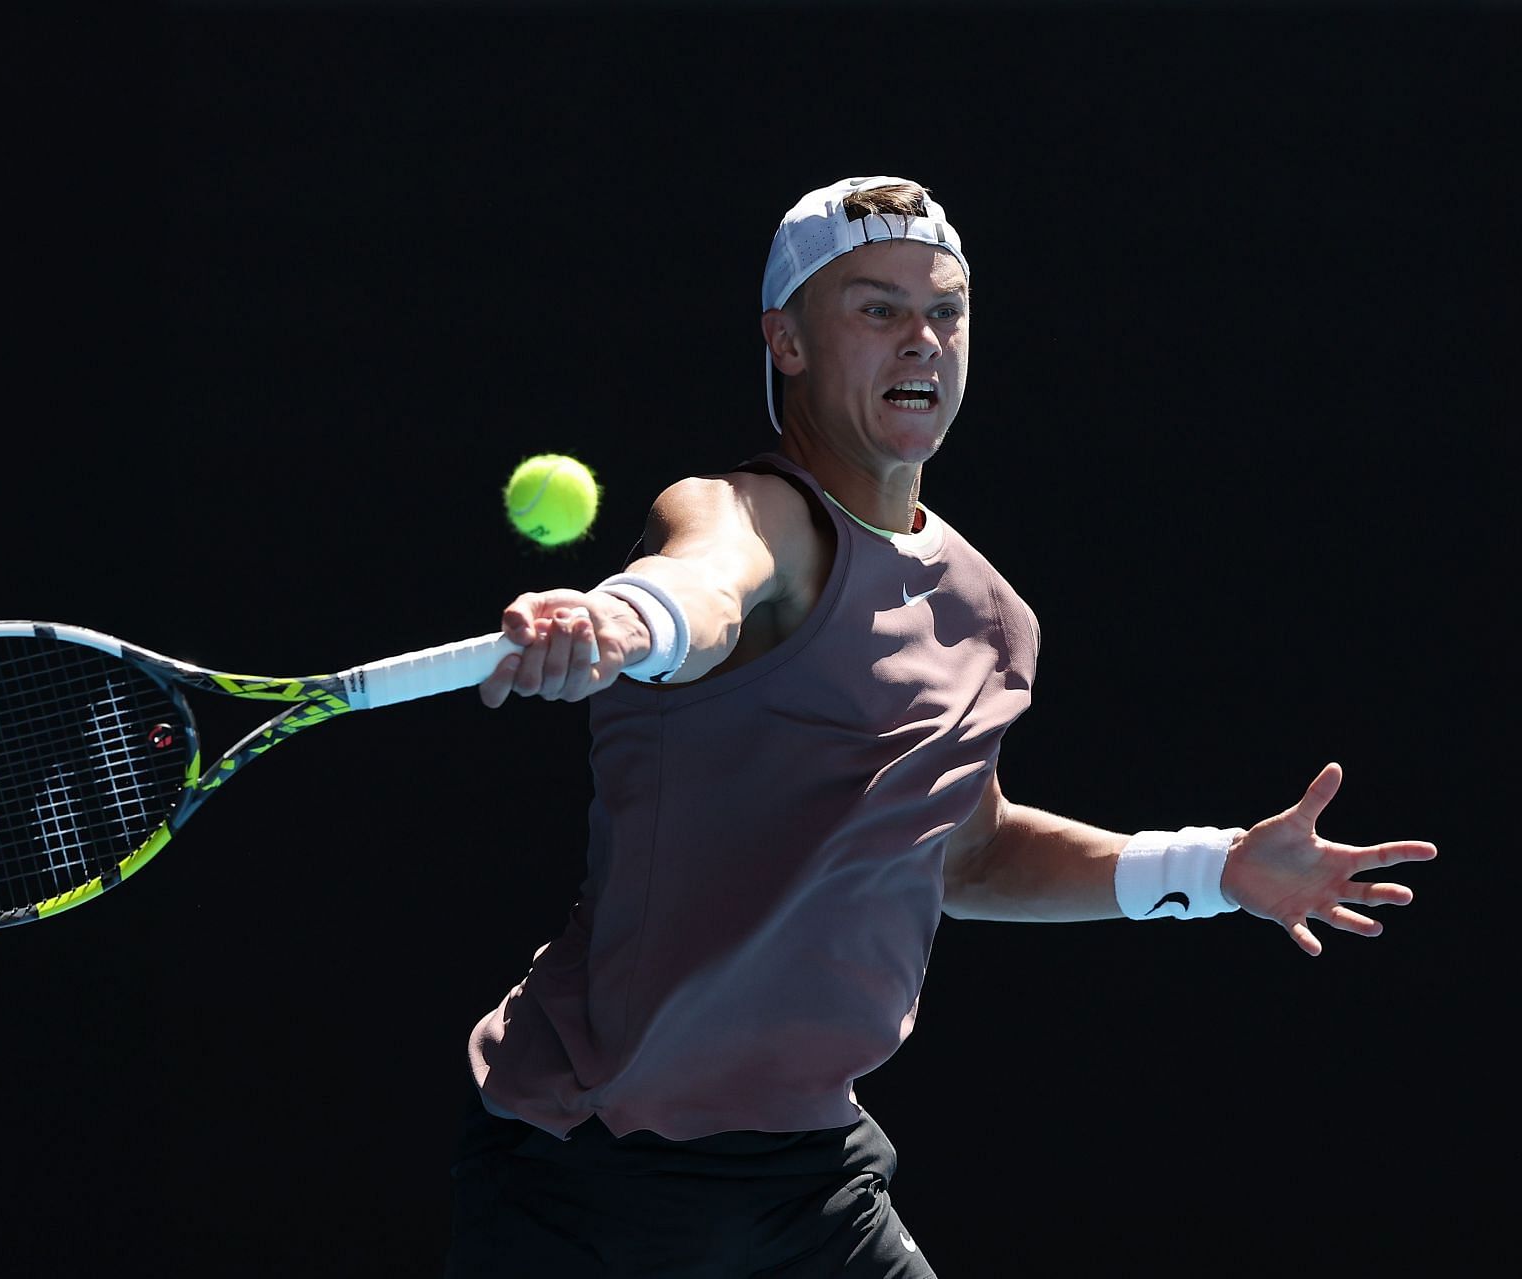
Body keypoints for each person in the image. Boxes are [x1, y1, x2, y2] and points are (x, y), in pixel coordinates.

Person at [442, 175, 1436, 1278]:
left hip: (812, 1179)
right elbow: (708, 582)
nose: (921, 338)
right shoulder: (745, 509)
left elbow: (962, 848)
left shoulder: (990, 613)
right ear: (789, 342)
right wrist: (622, 620)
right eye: (875, 309)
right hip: (588, 1174)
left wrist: (1213, 868)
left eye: (944, 310)